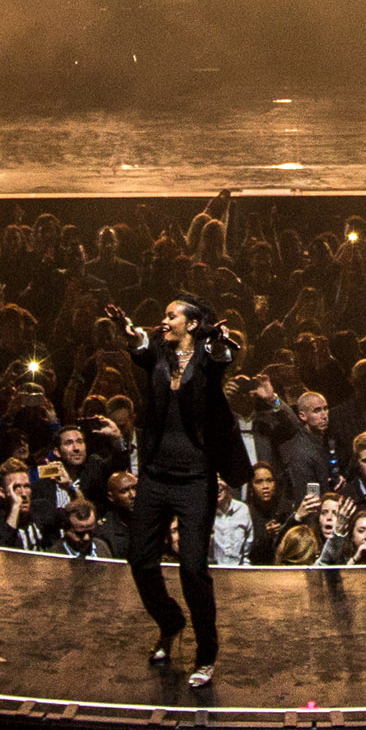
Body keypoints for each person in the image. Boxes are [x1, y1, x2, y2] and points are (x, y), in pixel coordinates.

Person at [109, 294, 247, 687]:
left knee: (191, 569)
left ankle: (206, 652)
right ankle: (170, 621)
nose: (164, 320)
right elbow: (139, 347)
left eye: (172, 315)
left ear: (191, 323)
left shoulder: (207, 357)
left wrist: (218, 339)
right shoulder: (157, 353)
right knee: (140, 562)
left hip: (194, 479)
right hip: (154, 475)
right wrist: (129, 332)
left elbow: (222, 356)